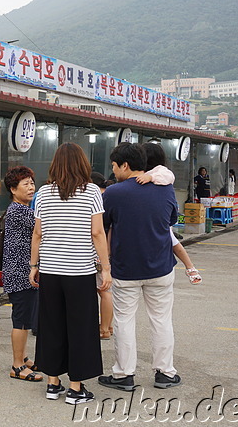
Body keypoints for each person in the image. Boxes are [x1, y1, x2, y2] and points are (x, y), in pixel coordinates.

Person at [29, 143, 112, 405]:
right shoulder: (91, 193)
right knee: (81, 327)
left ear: (55, 164)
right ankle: (76, 389)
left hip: (51, 270)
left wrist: (34, 265)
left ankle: (53, 384)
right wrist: (106, 267)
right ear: (82, 165)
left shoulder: (43, 193)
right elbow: (97, 233)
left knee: (51, 325)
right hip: (79, 271)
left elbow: (38, 233)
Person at [99, 142, 181, 393]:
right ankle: (165, 373)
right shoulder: (165, 189)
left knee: (124, 321)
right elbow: (172, 220)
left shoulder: (113, 193)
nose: (113, 172)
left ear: (125, 165)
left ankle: (124, 375)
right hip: (161, 267)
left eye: (114, 166)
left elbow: (102, 228)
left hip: (126, 269)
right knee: (161, 320)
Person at [135, 142, 202, 285]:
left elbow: (169, 176)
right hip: (159, 216)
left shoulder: (160, 171)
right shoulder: (142, 173)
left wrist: (151, 178)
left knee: (174, 242)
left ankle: (190, 267)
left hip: (161, 219)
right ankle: (190, 267)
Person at [2, 166, 41, 382]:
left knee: (25, 319)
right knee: (21, 321)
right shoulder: (20, 211)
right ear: (13, 189)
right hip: (20, 273)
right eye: (25, 184)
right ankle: (17, 366)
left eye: (32, 183)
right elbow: (42, 227)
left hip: (23, 271)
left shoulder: (22, 209)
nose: (31, 187)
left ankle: (24, 357)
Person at [90, 172, 114, 340]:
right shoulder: (109, 196)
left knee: (103, 291)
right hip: (106, 250)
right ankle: (108, 326)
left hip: (98, 250)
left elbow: (98, 230)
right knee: (106, 290)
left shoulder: (97, 198)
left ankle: (104, 329)